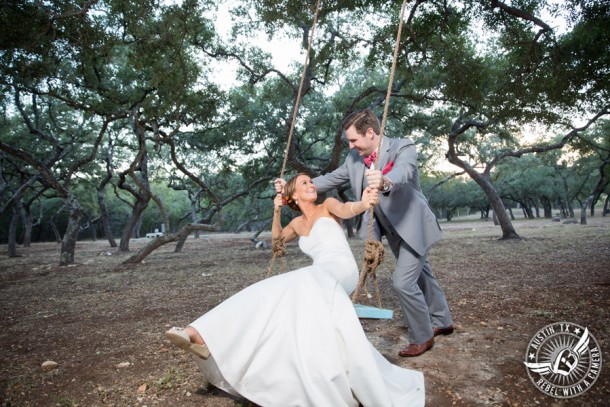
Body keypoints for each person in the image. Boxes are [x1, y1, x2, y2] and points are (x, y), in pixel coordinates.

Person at [165, 173, 425, 407]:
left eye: (311, 181)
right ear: (294, 196)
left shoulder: (328, 206)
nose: (311, 184)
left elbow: (349, 209)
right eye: (304, 183)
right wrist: (277, 211)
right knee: (268, 290)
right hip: (317, 276)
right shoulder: (298, 224)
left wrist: (364, 203)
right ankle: (199, 333)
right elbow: (277, 241)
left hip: (341, 271)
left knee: (298, 280)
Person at [277, 109, 453, 357]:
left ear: (370, 132)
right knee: (423, 274)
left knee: (402, 282)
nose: (351, 146)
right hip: (392, 231)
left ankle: (423, 336)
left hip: (415, 226)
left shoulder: (403, 147)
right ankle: (442, 320)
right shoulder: (354, 159)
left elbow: (402, 173)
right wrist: (291, 189)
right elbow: (330, 179)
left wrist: (383, 180)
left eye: (353, 140)